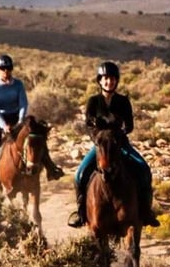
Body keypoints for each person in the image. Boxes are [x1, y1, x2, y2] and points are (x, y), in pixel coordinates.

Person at [67, 60, 160, 228]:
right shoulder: (93, 101)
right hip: (100, 146)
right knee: (79, 175)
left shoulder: (123, 101)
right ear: (100, 81)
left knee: (144, 169)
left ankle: (146, 212)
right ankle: (81, 214)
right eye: (105, 78)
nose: (109, 82)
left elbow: (130, 126)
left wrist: (119, 133)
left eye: (112, 79)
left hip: (121, 146)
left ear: (117, 80)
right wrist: (98, 137)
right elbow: (88, 125)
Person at [0, 53, 64, 182]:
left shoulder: (18, 84)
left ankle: (51, 169)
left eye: (9, 69)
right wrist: (3, 126)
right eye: (3, 69)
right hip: (2, 120)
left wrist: (20, 120)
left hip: (18, 118)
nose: (6, 72)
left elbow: (23, 103)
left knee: (37, 138)